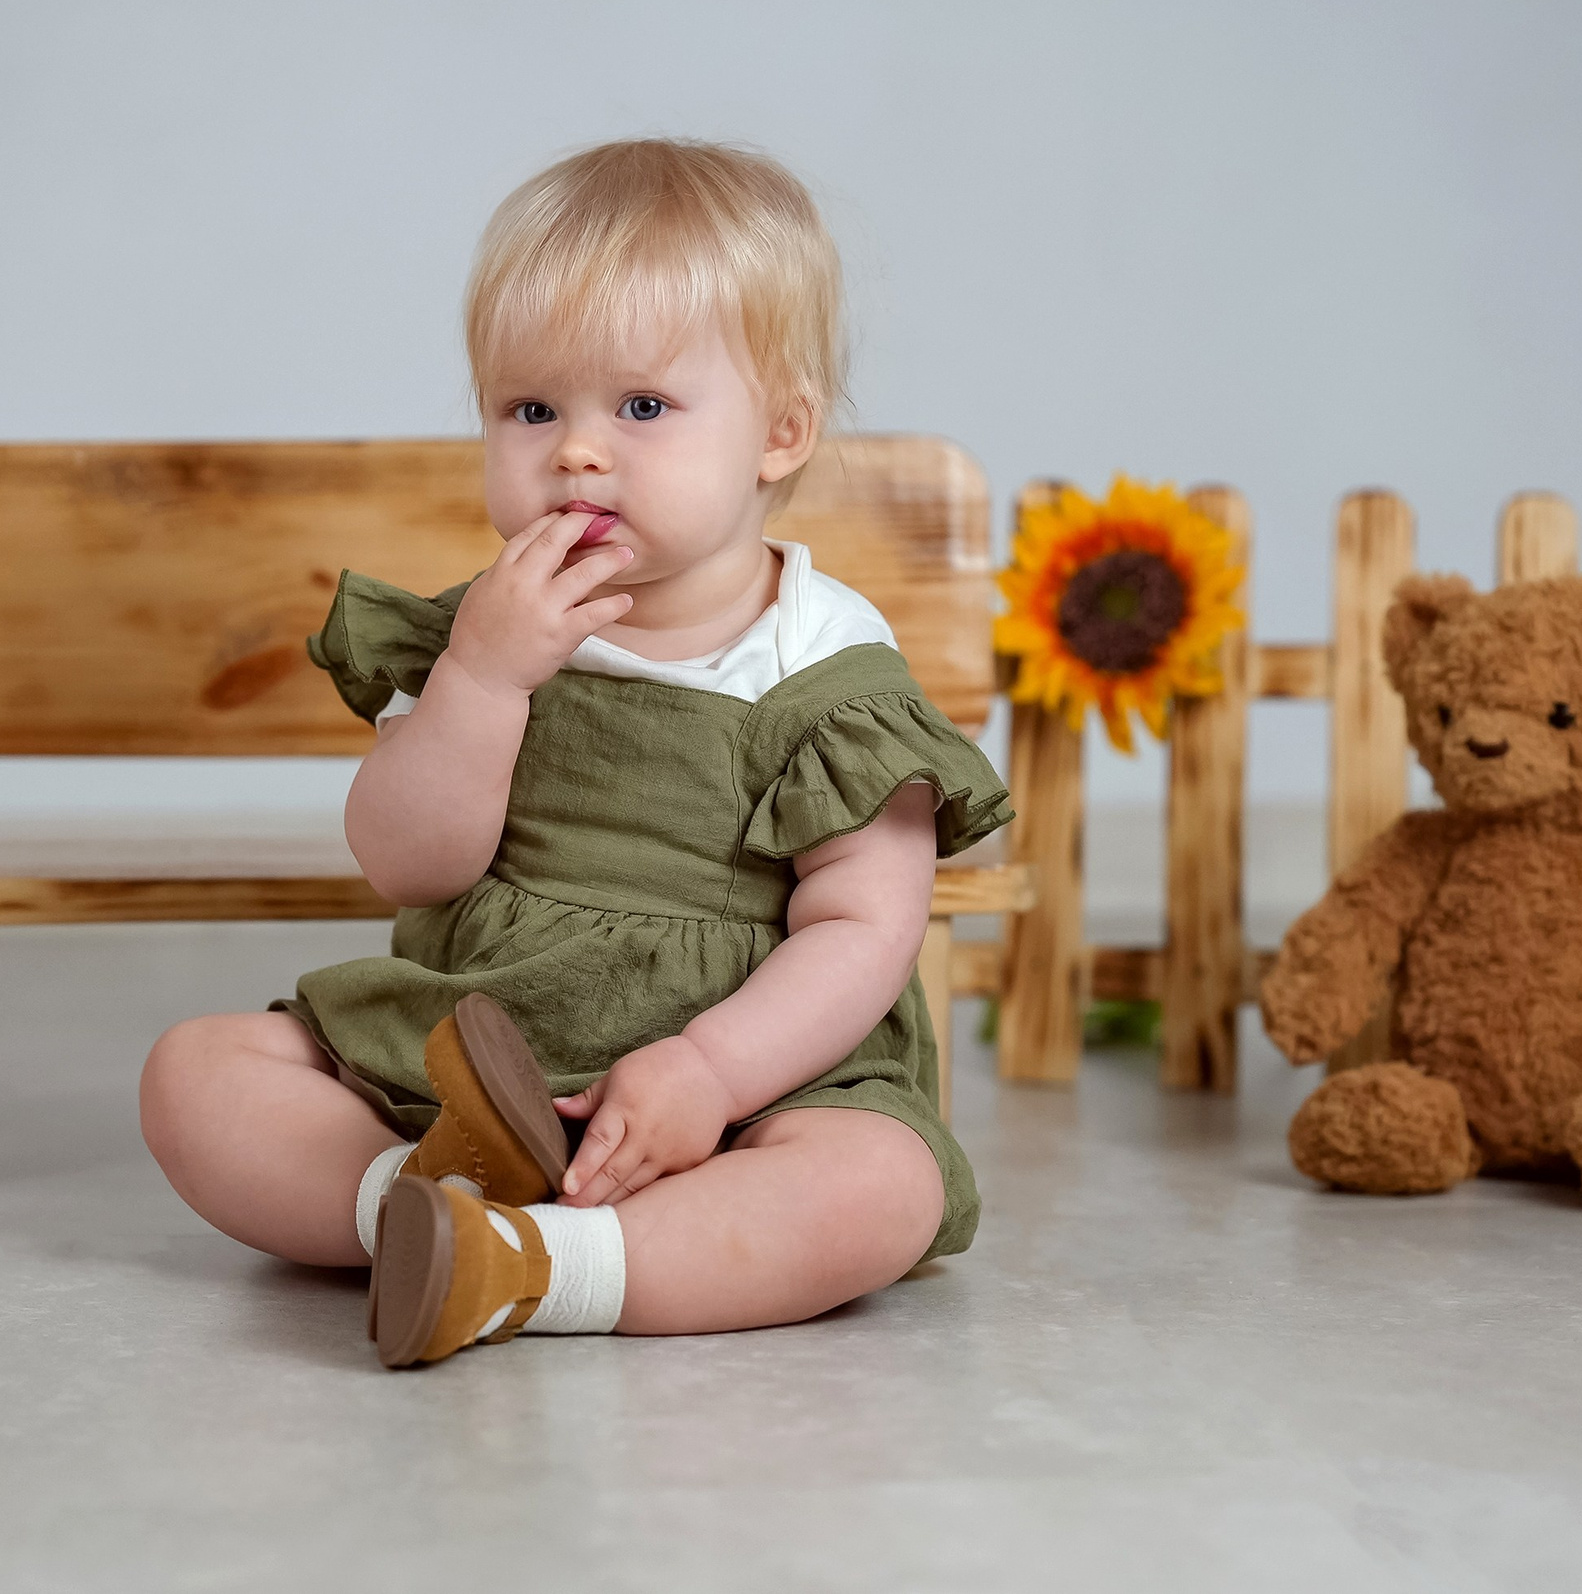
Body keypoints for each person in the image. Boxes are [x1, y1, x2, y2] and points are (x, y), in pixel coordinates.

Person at [140, 139, 1011, 1367]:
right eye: (531, 409)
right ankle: (422, 1198)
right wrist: (483, 679)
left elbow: (865, 927)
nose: (576, 452)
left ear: (779, 431)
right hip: (476, 1048)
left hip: (736, 1080)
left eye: (641, 408)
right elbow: (409, 864)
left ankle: (527, 1265)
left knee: (878, 1185)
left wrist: (709, 1071)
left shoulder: (821, 662)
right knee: (198, 1072)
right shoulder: (486, 630)